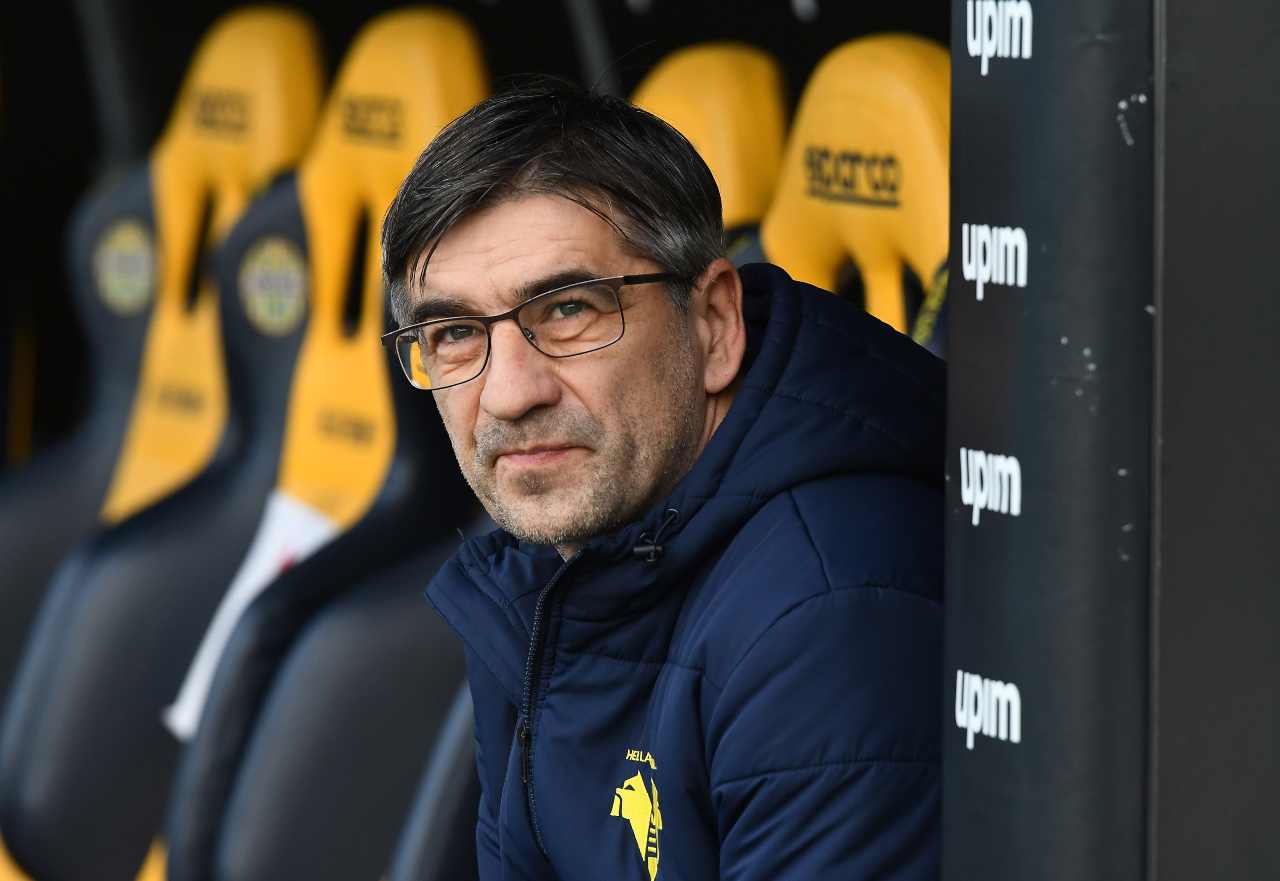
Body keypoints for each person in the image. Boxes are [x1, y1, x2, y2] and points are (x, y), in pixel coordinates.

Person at [380, 79, 944, 881]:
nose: (508, 392)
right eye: (455, 333)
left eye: (569, 308)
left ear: (713, 322)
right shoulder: (549, 567)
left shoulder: (829, 617)